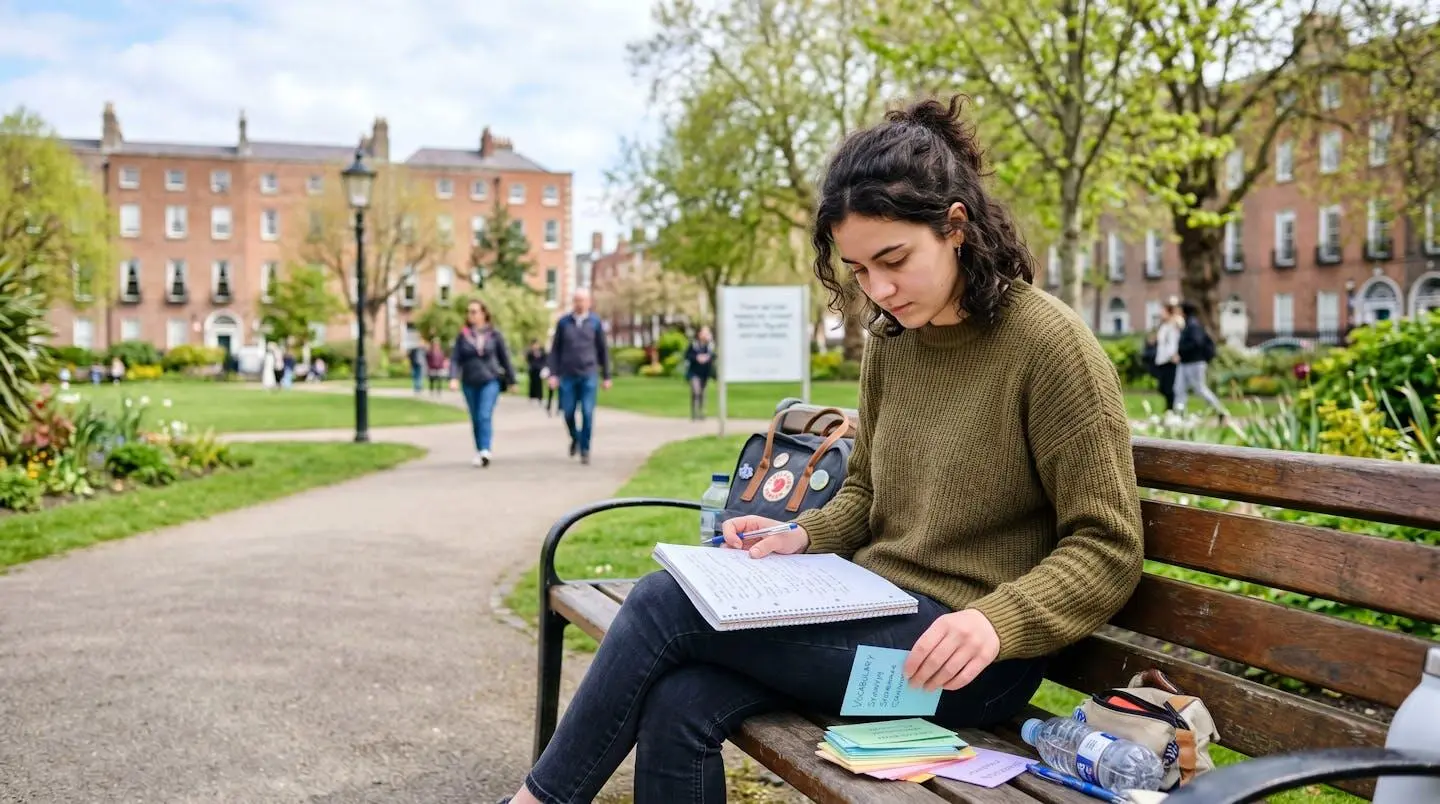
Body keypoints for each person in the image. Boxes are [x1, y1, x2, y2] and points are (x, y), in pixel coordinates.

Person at [500, 95, 1145, 804]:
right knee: (680, 699)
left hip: (967, 662)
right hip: (878, 613)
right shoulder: (894, 341)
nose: (879, 289)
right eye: (859, 269)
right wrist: (802, 532)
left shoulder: (1050, 347)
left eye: (893, 260)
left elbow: (1107, 545)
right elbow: (867, 490)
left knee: (662, 605)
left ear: (955, 226)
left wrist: (995, 622)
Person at [547, 287, 611, 465]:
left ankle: (585, 448)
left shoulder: (595, 323)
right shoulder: (563, 323)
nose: (579, 304)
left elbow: (602, 350)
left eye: (583, 300)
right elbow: (555, 350)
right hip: (567, 374)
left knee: (587, 412)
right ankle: (575, 437)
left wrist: (606, 376)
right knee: (567, 412)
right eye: (576, 300)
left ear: (589, 302)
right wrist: (553, 374)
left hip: (588, 373)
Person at [449, 299, 516, 468]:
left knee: (484, 414)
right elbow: (456, 359)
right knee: (475, 417)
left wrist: (511, 380)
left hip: (490, 379)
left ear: (483, 314)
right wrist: (453, 378)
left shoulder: (494, 335)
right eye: (468, 312)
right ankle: (480, 450)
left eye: (474, 311)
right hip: (470, 381)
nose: (470, 315)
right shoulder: (463, 335)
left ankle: (486, 449)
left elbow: (505, 358)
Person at [1173, 300, 1229, 421]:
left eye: (1179, 310)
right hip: (1185, 362)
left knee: (1200, 389)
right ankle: (1178, 415)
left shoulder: (1193, 325)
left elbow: (1196, 343)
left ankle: (1220, 411)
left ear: (1184, 311)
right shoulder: (1187, 324)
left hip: (1194, 363)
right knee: (1179, 389)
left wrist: (1182, 350)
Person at [1152, 297, 1183, 412]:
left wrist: (1173, 355)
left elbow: (1173, 342)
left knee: (1169, 387)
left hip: (1169, 359)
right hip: (1161, 359)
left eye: (1163, 311)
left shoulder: (1173, 325)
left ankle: (1171, 408)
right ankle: (1170, 407)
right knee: (1162, 387)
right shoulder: (1164, 326)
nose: (1161, 314)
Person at [683, 326, 716, 420]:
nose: (705, 335)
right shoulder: (694, 345)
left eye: (707, 333)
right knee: (696, 391)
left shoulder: (710, 346)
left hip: (705, 373)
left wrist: (708, 357)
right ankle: (694, 412)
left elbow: (714, 356)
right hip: (694, 372)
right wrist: (697, 358)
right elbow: (687, 355)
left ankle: (702, 412)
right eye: (704, 333)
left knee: (703, 393)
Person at [524, 340, 548, 407]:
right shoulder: (530, 352)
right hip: (532, 369)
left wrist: (542, 367)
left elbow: (545, 359)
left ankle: (539, 397)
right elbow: (528, 359)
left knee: (539, 384)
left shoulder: (542, 352)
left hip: (539, 369)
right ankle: (531, 396)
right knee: (532, 383)